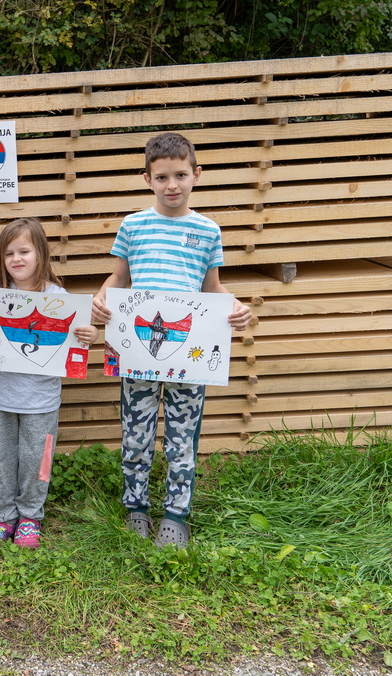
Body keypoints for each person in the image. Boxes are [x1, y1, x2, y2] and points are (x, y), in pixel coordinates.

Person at [91, 132, 252, 549]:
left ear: (196, 174)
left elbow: (212, 287)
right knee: (136, 433)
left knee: (183, 436)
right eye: (162, 177)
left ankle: (176, 515)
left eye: (180, 175)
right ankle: (136, 508)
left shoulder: (208, 230)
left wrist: (235, 307)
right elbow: (119, 277)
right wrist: (102, 298)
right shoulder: (133, 226)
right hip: (138, 351)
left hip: (189, 355)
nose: (172, 185)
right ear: (148, 179)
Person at [0, 218, 97, 549]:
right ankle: (3, 518)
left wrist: (89, 336)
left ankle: (30, 518)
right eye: (9, 253)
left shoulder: (59, 297)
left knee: (37, 461)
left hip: (41, 400)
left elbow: (77, 340)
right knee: (2, 462)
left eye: (24, 251)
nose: (16, 259)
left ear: (41, 253)